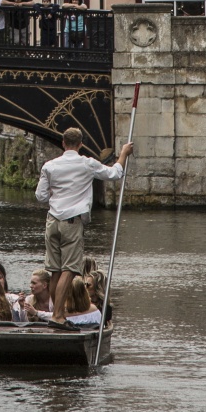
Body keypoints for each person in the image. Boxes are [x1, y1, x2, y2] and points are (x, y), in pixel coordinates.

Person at [35, 125, 133, 323]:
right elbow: (115, 173)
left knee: (54, 270)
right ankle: (57, 316)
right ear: (80, 144)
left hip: (52, 221)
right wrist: (123, 153)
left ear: (63, 143)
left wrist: (56, 196)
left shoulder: (49, 166)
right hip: (71, 222)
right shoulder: (87, 164)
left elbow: (40, 196)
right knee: (69, 269)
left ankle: (58, 313)